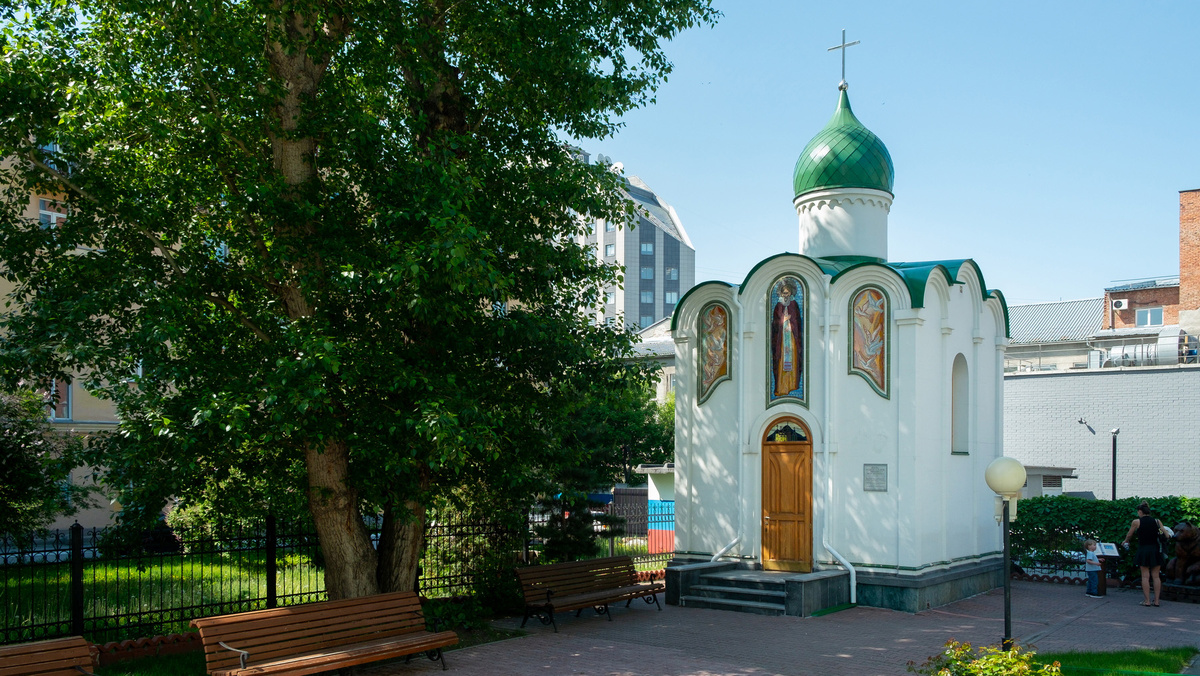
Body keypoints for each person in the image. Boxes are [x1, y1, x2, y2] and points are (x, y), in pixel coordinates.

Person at [1122, 502, 1169, 606]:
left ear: (1140, 511)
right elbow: (1166, 535)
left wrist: (1126, 541)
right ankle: (1156, 601)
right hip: (1155, 550)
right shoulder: (1157, 521)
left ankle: (1147, 601)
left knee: (1145, 577)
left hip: (1143, 550)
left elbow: (1129, 534)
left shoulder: (1136, 522)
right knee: (1156, 577)